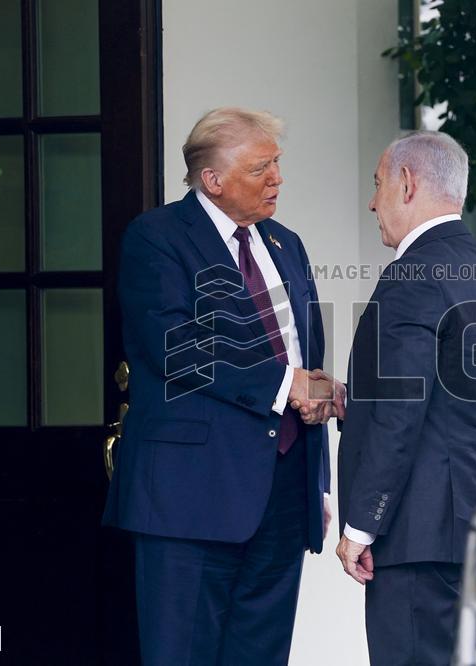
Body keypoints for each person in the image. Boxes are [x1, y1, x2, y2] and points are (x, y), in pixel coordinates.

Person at [103, 107, 337, 666]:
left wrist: (318, 479)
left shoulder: (285, 243)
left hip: (283, 490)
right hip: (191, 496)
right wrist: (287, 385)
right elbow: (175, 346)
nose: (277, 178)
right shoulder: (156, 238)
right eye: (262, 168)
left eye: (277, 164)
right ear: (213, 180)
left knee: (262, 652)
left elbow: (306, 355)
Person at [334, 131, 476, 665]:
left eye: (377, 185)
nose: (372, 202)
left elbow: (400, 416)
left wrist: (361, 526)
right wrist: (355, 398)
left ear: (407, 183)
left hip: (418, 533)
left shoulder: (412, 275)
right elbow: (453, 398)